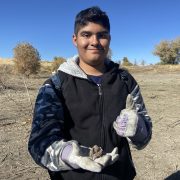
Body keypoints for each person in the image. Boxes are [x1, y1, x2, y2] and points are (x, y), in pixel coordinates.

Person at [28, 6, 152, 180]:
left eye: (102, 35)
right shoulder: (55, 85)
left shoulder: (125, 81)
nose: (95, 41)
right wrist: (68, 154)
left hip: (120, 175)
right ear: (75, 39)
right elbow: (38, 144)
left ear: (109, 39)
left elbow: (144, 138)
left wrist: (138, 127)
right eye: (86, 35)